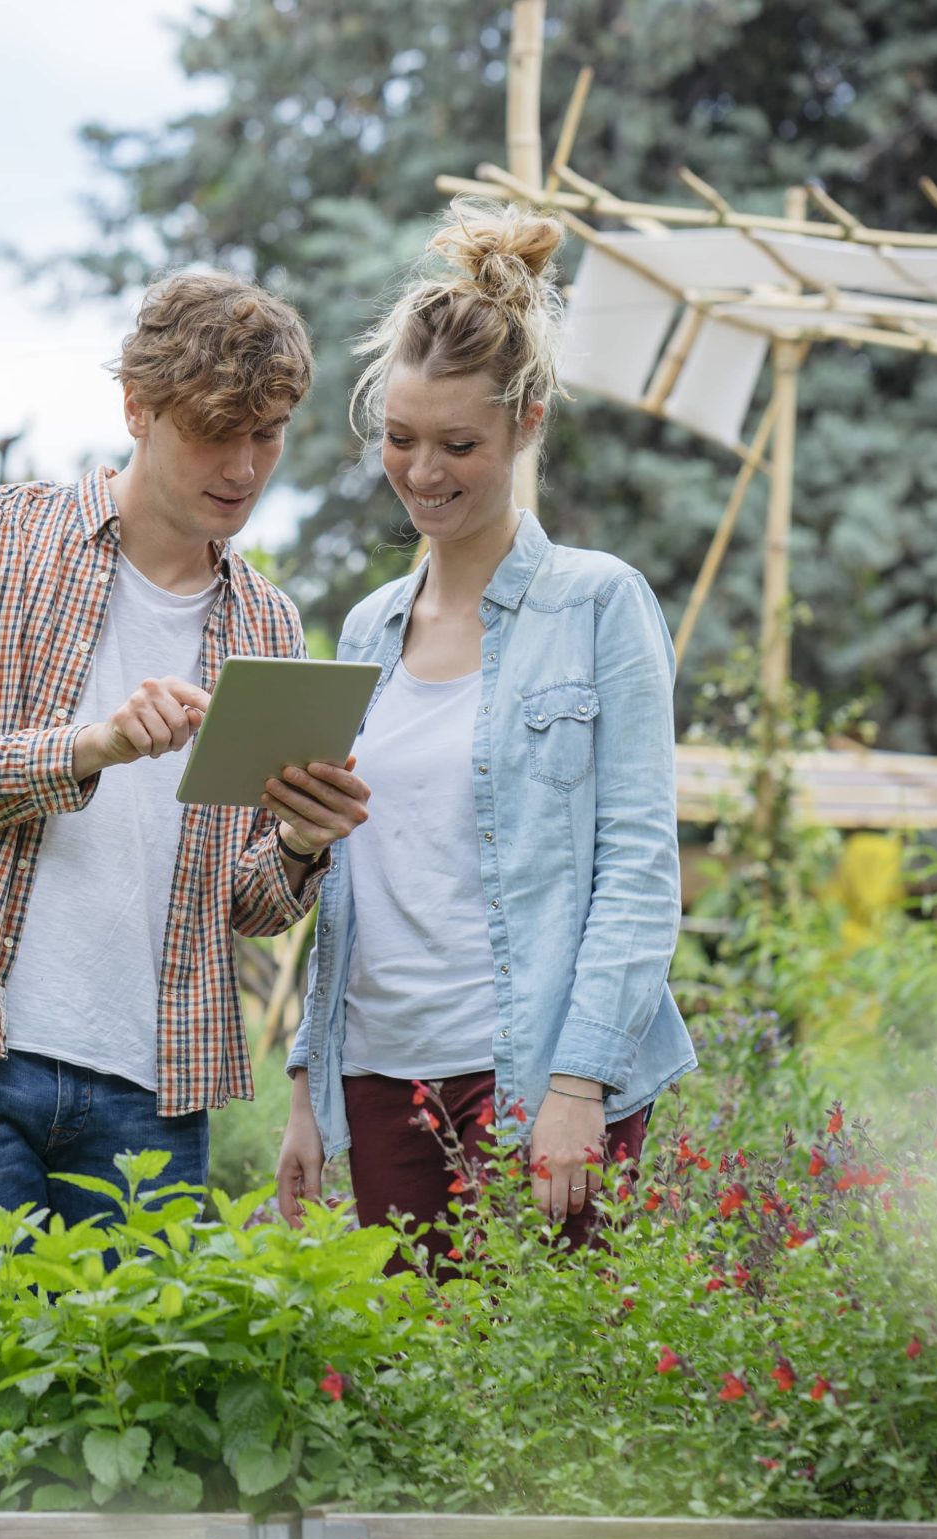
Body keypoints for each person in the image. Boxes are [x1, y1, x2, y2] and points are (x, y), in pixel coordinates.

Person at [0, 271, 372, 1237]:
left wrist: (301, 844)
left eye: (268, 432)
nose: (245, 466)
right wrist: (90, 747)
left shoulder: (268, 621)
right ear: (136, 407)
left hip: (151, 1091)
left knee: (126, 1392)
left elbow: (250, 905)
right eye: (216, 430)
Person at [273, 198, 696, 1266]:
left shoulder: (599, 605)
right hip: (376, 1074)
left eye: (458, 444)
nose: (423, 473)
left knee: (543, 1403)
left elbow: (638, 866)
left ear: (528, 422)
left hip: (532, 1072)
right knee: (404, 1400)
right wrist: (305, 1089)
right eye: (401, 440)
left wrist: (576, 1082)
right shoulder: (367, 628)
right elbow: (349, 882)